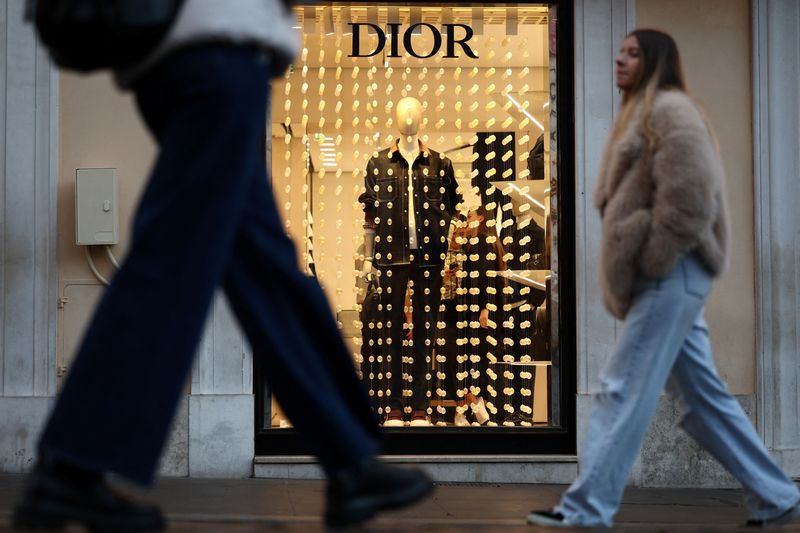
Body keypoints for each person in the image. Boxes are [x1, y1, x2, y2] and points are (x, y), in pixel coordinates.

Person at [13, 1, 433, 531]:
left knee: (266, 270)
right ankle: (71, 469)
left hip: (210, 57)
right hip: (213, 55)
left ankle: (349, 460)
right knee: (173, 262)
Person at [528, 29, 800, 529]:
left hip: (670, 273)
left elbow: (691, 197)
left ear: (655, 61)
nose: (619, 59)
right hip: (670, 276)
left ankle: (587, 509)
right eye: (620, 51)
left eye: (632, 53)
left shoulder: (671, 111)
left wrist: (649, 257)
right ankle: (776, 492)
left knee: (619, 389)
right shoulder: (642, 113)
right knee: (705, 402)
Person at [359, 96, 462, 427]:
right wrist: (369, 259)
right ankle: (393, 405)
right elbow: (371, 218)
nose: (408, 118)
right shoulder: (378, 164)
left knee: (424, 331)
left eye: (413, 111)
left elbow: (451, 208)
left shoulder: (440, 164)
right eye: (403, 112)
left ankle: (419, 406)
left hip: (430, 258)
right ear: (395, 119)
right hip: (392, 258)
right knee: (391, 331)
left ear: (421, 117)